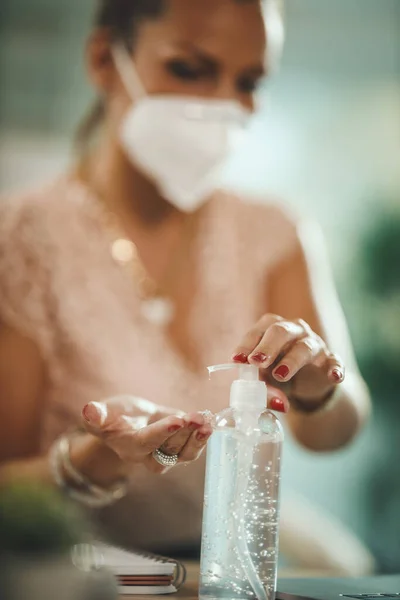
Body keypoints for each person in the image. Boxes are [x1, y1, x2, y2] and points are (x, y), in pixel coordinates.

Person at [0, 0, 370, 562]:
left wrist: (318, 387)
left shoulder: (275, 232)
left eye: (248, 80)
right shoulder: (20, 240)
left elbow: (336, 430)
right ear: (104, 59)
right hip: (71, 570)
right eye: (190, 69)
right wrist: (91, 460)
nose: (224, 102)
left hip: (226, 564)